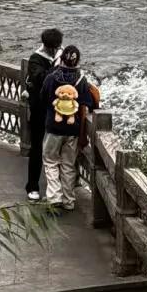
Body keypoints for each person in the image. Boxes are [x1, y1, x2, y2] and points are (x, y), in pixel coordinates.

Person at [40, 45, 99, 213]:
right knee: (68, 164)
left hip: (53, 127)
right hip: (73, 130)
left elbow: (43, 97)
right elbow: (87, 104)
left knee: (51, 161)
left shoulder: (51, 78)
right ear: (77, 60)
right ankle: (68, 200)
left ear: (61, 59)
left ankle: (54, 198)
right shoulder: (81, 80)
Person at [24, 28, 63, 201]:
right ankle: (32, 186)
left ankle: (57, 189)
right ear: (47, 46)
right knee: (37, 148)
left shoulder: (61, 55)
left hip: (58, 111)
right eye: (53, 48)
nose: (55, 50)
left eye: (57, 47)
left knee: (58, 150)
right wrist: (57, 65)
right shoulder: (35, 59)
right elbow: (42, 80)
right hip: (40, 110)